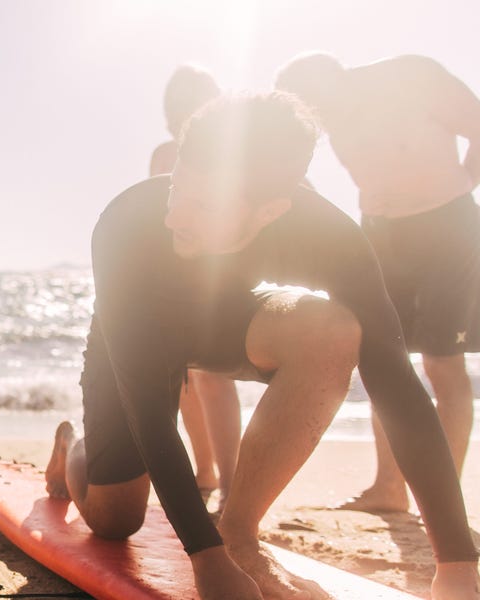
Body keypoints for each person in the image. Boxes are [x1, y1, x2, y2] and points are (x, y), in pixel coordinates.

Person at [45, 93, 479, 599]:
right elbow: (149, 411)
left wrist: (456, 564)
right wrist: (204, 560)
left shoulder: (329, 238)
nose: (174, 217)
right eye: (176, 189)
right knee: (114, 520)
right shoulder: (126, 226)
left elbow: (398, 388)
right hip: (135, 333)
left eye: (203, 205)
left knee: (333, 330)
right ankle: (73, 447)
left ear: (270, 210)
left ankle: (240, 531)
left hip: (224, 316)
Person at [276, 53, 480, 514]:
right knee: (383, 359)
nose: (323, 126)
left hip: (447, 227)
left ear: (338, 80)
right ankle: (389, 488)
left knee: (442, 363)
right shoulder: (324, 116)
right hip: (382, 234)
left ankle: (443, 501)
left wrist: (464, 181)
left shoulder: (412, 75)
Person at [150, 65, 242, 509]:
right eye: (179, 106)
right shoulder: (165, 153)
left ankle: (232, 482)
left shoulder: (236, 152)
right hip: (176, 279)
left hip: (221, 277)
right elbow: (154, 216)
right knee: (185, 378)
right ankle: (204, 470)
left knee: (216, 379)